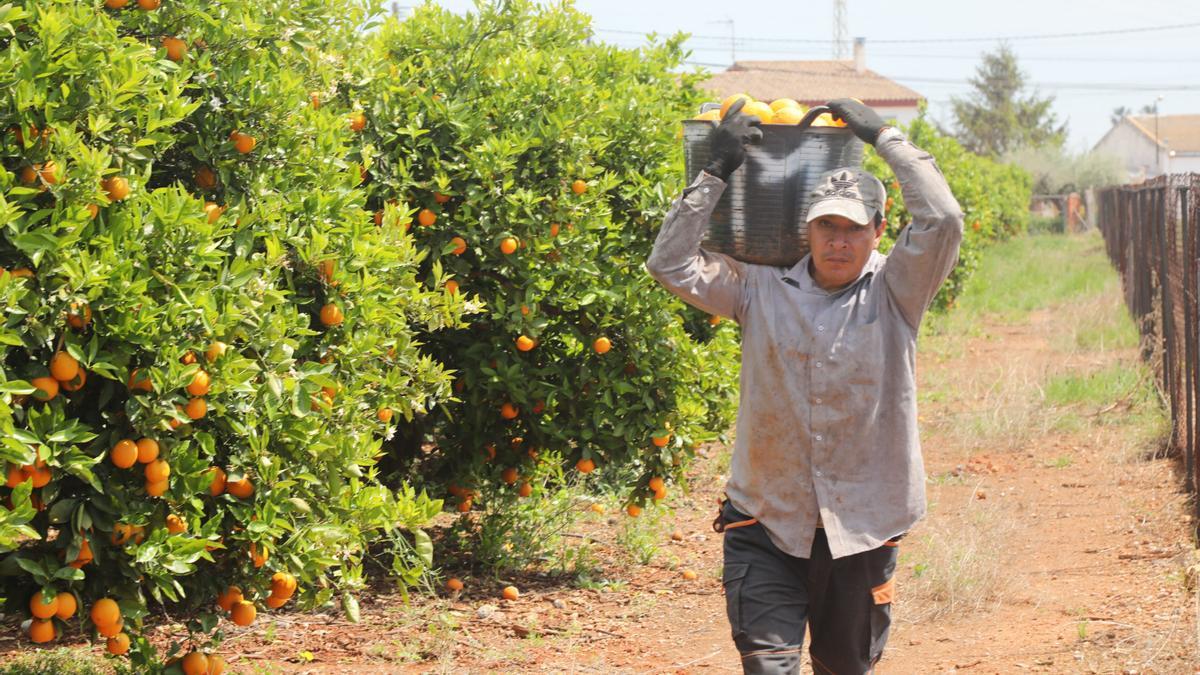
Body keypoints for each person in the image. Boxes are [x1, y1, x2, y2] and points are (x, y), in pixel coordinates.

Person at [645, 98, 963, 674]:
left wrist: (884, 136)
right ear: (807, 228)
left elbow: (944, 221)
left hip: (862, 527)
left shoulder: (898, 291)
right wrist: (712, 173)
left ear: (879, 230)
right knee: (770, 668)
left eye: (853, 228)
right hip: (767, 521)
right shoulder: (758, 288)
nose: (838, 241)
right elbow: (670, 265)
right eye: (827, 226)